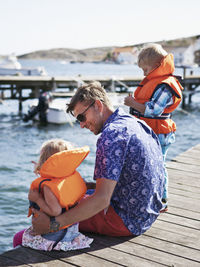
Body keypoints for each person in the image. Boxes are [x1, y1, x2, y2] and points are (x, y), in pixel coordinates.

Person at [14, 81, 165, 243]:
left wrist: (53, 225)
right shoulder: (136, 123)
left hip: (126, 221)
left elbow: (102, 199)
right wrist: (87, 186)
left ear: (98, 106)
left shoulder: (111, 136)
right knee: (72, 194)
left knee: (53, 208)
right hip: (146, 214)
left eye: (82, 116)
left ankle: (27, 239)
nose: (81, 125)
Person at [124, 44, 183, 210]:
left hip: (160, 133)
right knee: (148, 165)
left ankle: (162, 201)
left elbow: (154, 111)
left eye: (145, 69)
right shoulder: (156, 82)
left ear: (157, 66)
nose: (144, 73)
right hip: (151, 130)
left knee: (158, 165)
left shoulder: (165, 86)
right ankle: (150, 196)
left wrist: (133, 103)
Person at [13, 139, 93, 251]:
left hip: (53, 238)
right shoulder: (71, 179)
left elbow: (55, 211)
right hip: (71, 233)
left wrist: (37, 199)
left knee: (17, 238)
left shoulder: (48, 187)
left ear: (45, 163)